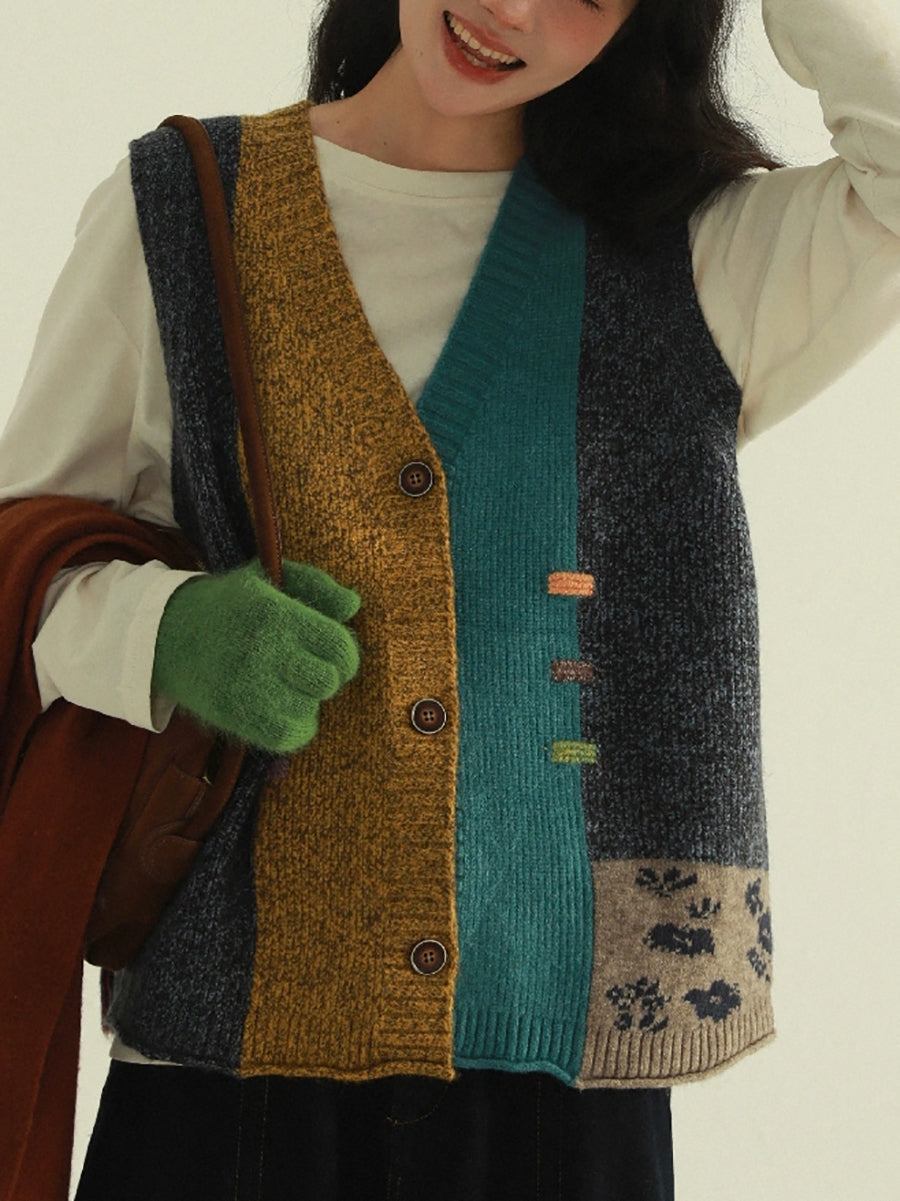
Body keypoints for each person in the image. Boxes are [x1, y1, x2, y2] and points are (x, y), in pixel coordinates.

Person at [1, 0, 898, 1197]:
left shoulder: (698, 249)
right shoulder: (183, 208)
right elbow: (24, 564)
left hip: (568, 1081)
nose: (512, 8)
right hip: (230, 1063)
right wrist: (170, 633)